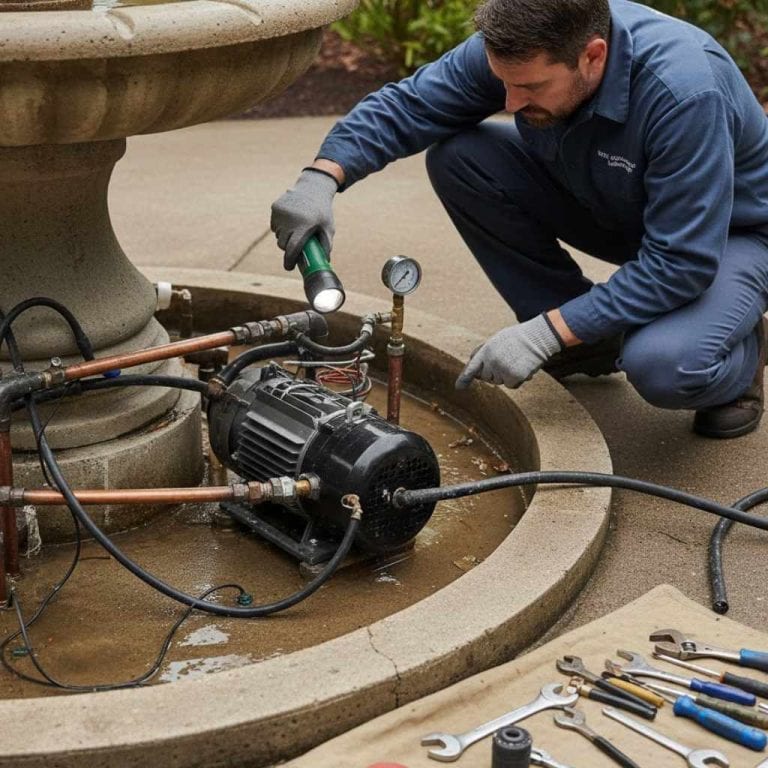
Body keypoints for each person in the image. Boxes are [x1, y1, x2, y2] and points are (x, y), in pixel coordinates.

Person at [271, 0, 768, 439]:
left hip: (728, 234)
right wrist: (321, 177)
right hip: (618, 203)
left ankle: (740, 359)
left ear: (592, 56)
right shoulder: (523, 45)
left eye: (529, 87)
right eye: (504, 83)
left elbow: (681, 260)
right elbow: (412, 104)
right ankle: (584, 341)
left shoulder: (684, 93)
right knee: (460, 156)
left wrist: (544, 332)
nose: (509, 103)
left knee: (665, 364)